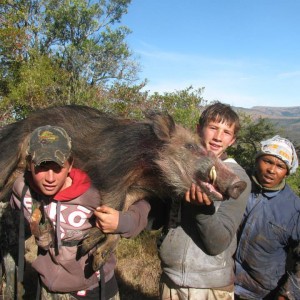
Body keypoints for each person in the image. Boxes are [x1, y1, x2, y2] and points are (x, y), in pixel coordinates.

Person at [10, 125, 150, 300]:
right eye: (42, 167)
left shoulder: (94, 191)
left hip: (94, 290)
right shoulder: (22, 189)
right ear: (29, 165)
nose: (50, 178)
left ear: (70, 165)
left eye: (58, 167)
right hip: (47, 289)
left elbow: (143, 204)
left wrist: (122, 222)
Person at [158, 101, 251, 300]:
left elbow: (217, 244)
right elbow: (157, 219)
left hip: (211, 288)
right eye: (213, 128)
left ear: (233, 140)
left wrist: (201, 211)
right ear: (198, 129)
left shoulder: (237, 179)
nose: (218, 137)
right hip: (171, 280)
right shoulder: (181, 166)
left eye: (226, 132)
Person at [234, 135, 300, 299]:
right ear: (257, 161)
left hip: (262, 293)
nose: (272, 170)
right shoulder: (236, 185)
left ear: (286, 172)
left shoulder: (294, 208)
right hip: (221, 283)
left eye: (280, 166)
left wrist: (288, 294)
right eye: (268, 161)